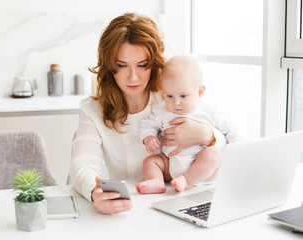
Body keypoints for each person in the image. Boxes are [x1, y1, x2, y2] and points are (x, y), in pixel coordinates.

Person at [69, 13, 221, 215]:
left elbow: (224, 151)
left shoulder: (171, 98)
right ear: (109, 66)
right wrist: (94, 191)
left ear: (154, 63)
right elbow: (81, 163)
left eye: (142, 65)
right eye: (122, 65)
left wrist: (206, 134)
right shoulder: (93, 109)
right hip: (128, 207)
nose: (133, 77)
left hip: (179, 201)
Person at [136, 55, 243, 194]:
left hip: (200, 167)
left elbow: (232, 129)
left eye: (183, 96)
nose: (176, 103)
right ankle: (157, 181)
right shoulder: (162, 110)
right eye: (169, 96)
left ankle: (186, 179)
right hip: (170, 165)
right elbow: (147, 123)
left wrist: (237, 154)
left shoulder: (209, 111)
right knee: (150, 162)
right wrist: (149, 138)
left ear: (200, 92)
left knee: (213, 155)